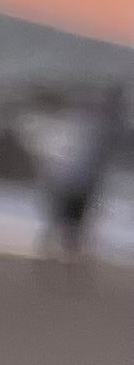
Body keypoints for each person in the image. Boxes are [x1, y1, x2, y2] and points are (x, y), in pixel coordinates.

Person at [40, 79, 128, 259]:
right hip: (83, 180)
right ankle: (64, 252)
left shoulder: (88, 119)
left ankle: (54, 250)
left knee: (66, 218)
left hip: (71, 177)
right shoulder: (110, 125)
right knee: (73, 219)